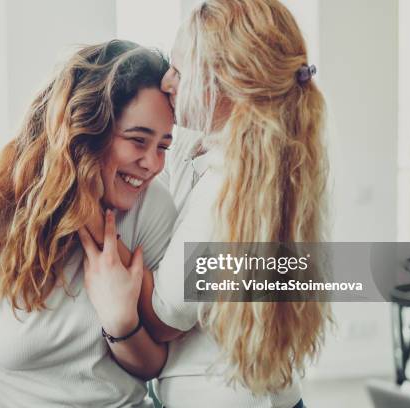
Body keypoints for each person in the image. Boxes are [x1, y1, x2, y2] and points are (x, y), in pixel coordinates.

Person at [79, 1, 332, 407]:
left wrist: (85, 209)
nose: (167, 81)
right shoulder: (246, 155)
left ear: (227, 82)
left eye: (180, 70)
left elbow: (163, 320)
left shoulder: (229, 186)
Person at [0, 39, 177, 408]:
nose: (153, 163)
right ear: (84, 130)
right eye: (137, 141)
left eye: (163, 146)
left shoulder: (154, 206)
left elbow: (153, 365)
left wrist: (120, 322)